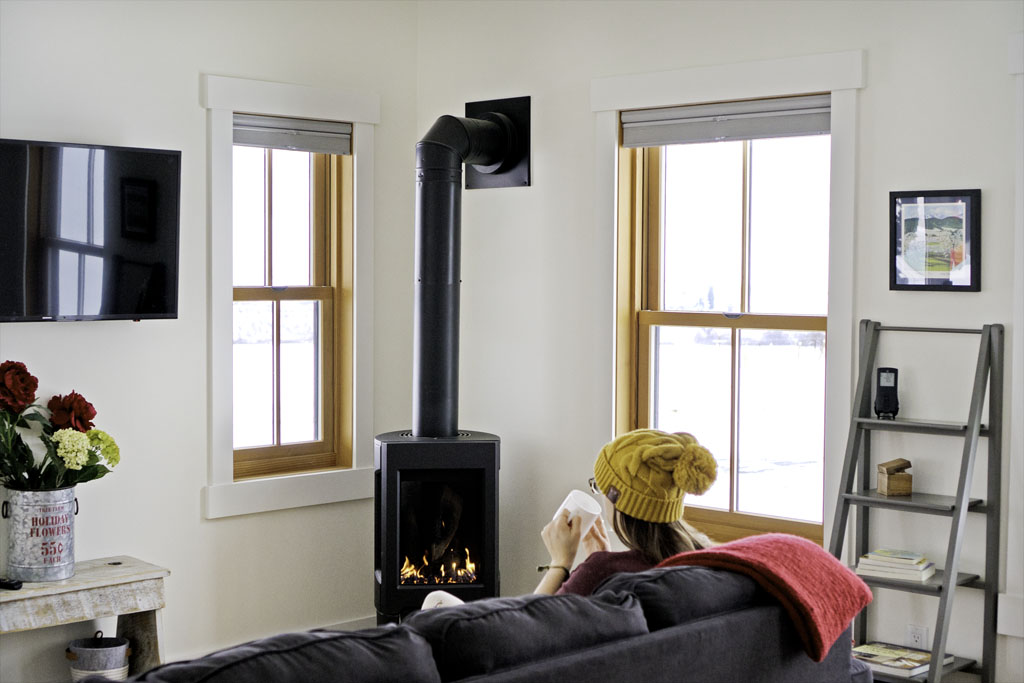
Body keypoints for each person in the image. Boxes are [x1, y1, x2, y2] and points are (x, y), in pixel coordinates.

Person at [534, 428, 717, 596]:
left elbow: (528, 625)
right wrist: (604, 559)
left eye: (600, 487)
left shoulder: (599, 571)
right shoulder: (706, 556)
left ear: (616, 499)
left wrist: (560, 563)